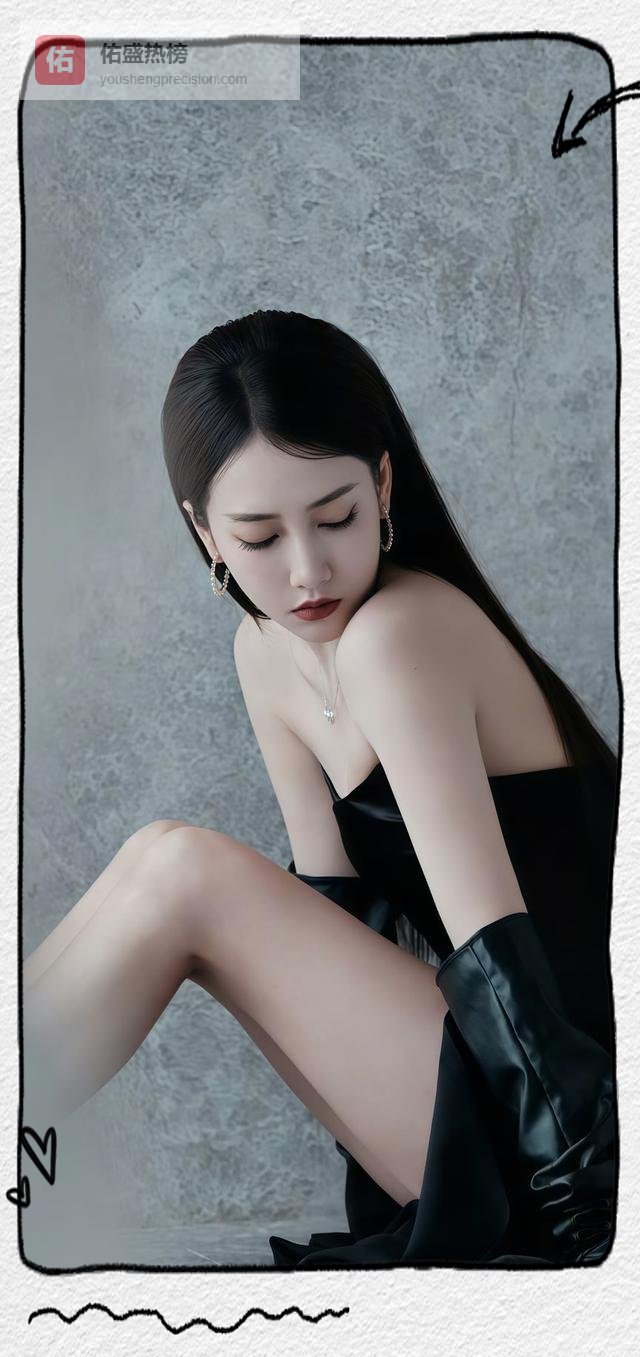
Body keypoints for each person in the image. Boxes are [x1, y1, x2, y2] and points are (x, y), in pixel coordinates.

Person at [23, 309, 618, 1269]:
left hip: (571, 1116)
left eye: (336, 518)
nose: (307, 572)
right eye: (259, 537)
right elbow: (341, 928)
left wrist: (591, 1228)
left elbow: (500, 962)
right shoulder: (264, 653)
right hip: (467, 1084)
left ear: (382, 485)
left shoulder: (400, 632)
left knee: (182, 872)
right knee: (157, 860)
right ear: (204, 532)